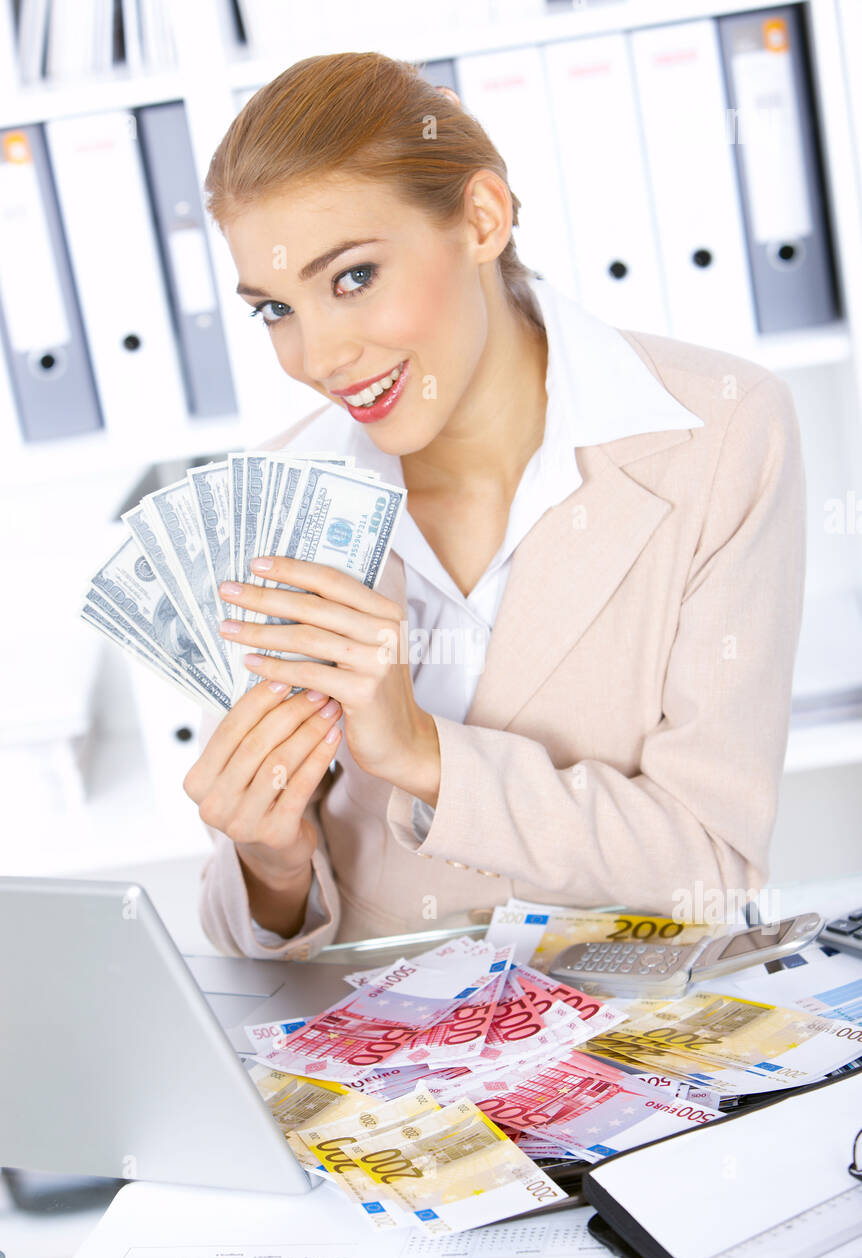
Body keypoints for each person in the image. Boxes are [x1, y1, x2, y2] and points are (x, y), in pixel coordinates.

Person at [183, 51, 805, 959]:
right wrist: (269, 865)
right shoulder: (276, 500)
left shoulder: (723, 433)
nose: (317, 359)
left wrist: (422, 752)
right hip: (386, 1057)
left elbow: (708, 867)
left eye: (352, 277)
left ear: (481, 218)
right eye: (275, 309)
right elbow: (251, 940)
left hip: (636, 1026)